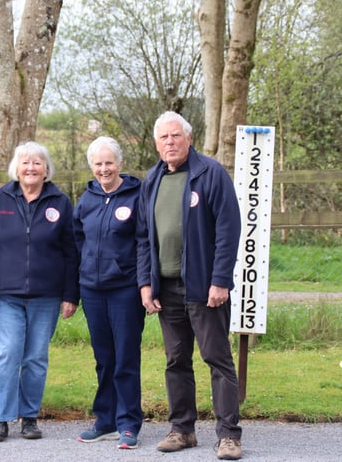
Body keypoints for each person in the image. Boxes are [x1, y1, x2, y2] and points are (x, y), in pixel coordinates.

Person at [136, 111, 243, 460]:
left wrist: (220, 280)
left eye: (175, 136)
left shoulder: (210, 174)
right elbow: (143, 238)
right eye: (163, 138)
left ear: (189, 138)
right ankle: (182, 429)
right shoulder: (151, 180)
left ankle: (228, 435)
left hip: (203, 287)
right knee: (176, 360)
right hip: (165, 288)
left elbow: (229, 229)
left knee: (217, 359)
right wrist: (145, 284)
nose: (170, 142)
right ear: (156, 144)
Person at [0, 141, 79, 442]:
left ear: (46, 169)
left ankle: (30, 418)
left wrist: (70, 294)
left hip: (46, 295)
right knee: (8, 354)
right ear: (16, 168)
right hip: (6, 294)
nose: (31, 168)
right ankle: (1, 419)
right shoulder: (0, 198)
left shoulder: (60, 202)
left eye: (37, 163)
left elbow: (71, 252)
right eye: (25, 162)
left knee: (36, 357)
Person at [72, 136, 144, 450]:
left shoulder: (136, 196)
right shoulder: (85, 200)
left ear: (120, 164)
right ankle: (106, 421)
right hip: (92, 290)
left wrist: (143, 284)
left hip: (125, 291)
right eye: (99, 164)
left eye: (109, 163)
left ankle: (129, 423)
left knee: (125, 357)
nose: (104, 169)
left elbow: (144, 242)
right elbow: (76, 242)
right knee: (104, 359)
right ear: (92, 166)